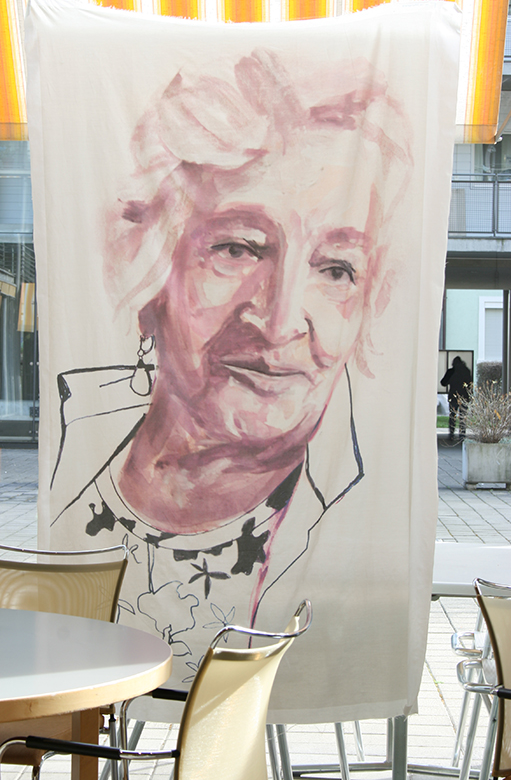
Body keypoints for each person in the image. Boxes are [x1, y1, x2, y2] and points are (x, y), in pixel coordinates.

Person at [49, 49, 412, 682]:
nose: (279, 321)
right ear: (151, 270)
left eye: (336, 270)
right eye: (239, 249)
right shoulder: (70, 439)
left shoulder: (361, 510)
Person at [441, 356, 473, 440]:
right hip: (464, 396)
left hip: (453, 396)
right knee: (463, 416)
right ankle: (462, 434)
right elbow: (470, 384)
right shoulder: (466, 371)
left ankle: (451, 433)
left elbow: (443, 383)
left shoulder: (451, 371)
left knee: (452, 416)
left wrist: (450, 380)